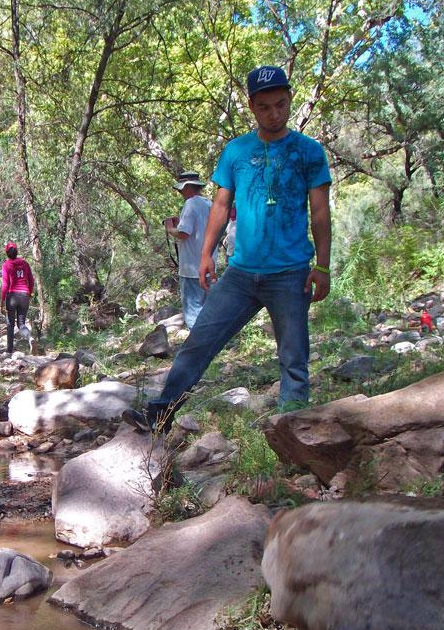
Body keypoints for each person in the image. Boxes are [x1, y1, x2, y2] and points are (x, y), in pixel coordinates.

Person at [124, 65, 332, 433]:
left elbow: (319, 211)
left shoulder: (308, 152)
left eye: (281, 104)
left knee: (293, 356)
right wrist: (206, 254)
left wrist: (324, 266)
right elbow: (220, 206)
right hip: (241, 273)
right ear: (252, 106)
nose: (275, 113)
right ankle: (160, 415)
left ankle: (292, 429)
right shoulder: (236, 151)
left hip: (291, 272)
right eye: (265, 106)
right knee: (199, 342)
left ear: (289, 101)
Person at [163, 171, 216, 328]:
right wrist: (180, 222)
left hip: (192, 268)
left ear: (187, 188)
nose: (179, 192)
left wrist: (170, 228)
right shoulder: (209, 203)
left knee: (193, 311)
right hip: (209, 265)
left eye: (180, 189)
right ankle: (212, 340)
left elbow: (183, 234)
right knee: (209, 308)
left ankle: (197, 344)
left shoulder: (190, 203)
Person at [0, 241, 35, 354]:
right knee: (21, 324)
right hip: (24, 295)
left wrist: (2, 301)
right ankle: (30, 338)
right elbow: (31, 280)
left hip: (12, 296)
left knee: (10, 323)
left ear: (6, 253)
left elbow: (5, 285)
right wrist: (29, 293)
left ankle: (9, 350)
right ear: (17, 252)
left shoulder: (6, 265)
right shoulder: (25, 263)